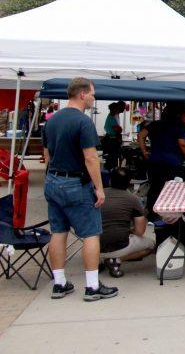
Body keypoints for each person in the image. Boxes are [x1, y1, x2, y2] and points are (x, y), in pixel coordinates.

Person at [42, 77, 119, 301]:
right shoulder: (83, 122)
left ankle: (59, 283)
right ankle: (92, 286)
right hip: (76, 182)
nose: (94, 98)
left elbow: (46, 156)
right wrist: (99, 188)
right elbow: (91, 158)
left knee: (58, 231)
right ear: (82, 94)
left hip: (53, 179)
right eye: (93, 94)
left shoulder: (52, 121)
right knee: (90, 233)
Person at [139, 102, 185, 221]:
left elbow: (141, 136)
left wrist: (144, 152)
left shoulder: (155, 124)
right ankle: (169, 215)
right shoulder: (179, 125)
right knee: (171, 189)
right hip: (172, 162)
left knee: (155, 187)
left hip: (155, 160)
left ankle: (153, 215)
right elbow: (182, 144)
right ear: (179, 114)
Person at [100, 168, 155, 278]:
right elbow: (140, 231)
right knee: (151, 245)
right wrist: (129, 230)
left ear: (110, 180)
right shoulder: (133, 199)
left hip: (95, 245)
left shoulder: (98, 195)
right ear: (129, 182)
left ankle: (103, 259)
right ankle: (116, 259)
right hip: (121, 244)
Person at [102, 101, 125, 169]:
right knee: (111, 159)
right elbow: (118, 129)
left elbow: (118, 129)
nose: (123, 109)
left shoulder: (115, 115)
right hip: (111, 141)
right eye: (123, 107)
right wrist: (119, 129)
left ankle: (112, 170)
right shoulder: (112, 117)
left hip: (112, 140)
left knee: (113, 158)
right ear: (116, 108)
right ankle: (111, 172)